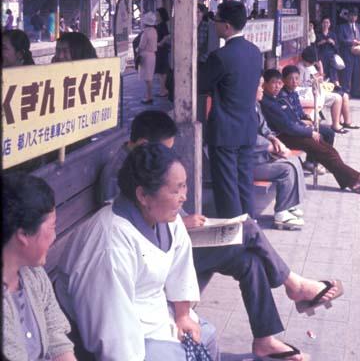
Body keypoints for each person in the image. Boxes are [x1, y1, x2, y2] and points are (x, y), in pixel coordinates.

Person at [98, 110, 343, 361]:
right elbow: (134, 225)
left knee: (249, 260)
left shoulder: (144, 161)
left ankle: (265, 339)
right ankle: (295, 285)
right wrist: (183, 222)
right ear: (143, 145)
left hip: (179, 238)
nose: (169, 157)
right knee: (247, 229)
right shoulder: (120, 173)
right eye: (166, 150)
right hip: (162, 253)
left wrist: (185, 221)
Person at [55, 143, 219, 361]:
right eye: (175, 190)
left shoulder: (167, 218)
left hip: (157, 310)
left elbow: (181, 268)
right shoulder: (111, 242)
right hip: (129, 329)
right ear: (143, 195)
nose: (183, 197)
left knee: (208, 336)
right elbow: (113, 331)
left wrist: (182, 315)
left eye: (184, 186)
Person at [260, 69, 360, 194]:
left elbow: (293, 119)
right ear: (265, 84)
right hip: (283, 138)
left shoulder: (275, 98)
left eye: (279, 83)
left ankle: (354, 179)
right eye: (274, 83)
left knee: (327, 150)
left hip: (292, 133)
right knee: (324, 150)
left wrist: (307, 127)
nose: (277, 86)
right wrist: (309, 132)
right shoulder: (268, 102)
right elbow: (287, 126)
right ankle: (356, 179)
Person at [2, 171, 77, 361]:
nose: (55, 236)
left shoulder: (33, 274)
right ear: (23, 235)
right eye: (51, 227)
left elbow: (55, 334)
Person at [201, 1, 263, 218]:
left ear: (226, 26)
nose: (214, 25)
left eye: (216, 21)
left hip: (225, 131)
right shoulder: (255, 52)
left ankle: (233, 238)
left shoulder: (220, 56)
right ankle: (250, 228)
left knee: (227, 187)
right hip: (247, 128)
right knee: (244, 182)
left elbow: (200, 83)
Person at [255, 77, 306, 230]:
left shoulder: (255, 105)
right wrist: (270, 147)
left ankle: (289, 204)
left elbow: (264, 129)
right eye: (259, 86)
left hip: (261, 155)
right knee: (287, 168)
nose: (262, 89)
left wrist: (272, 138)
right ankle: (281, 214)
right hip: (250, 161)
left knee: (294, 160)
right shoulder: (244, 110)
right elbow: (249, 138)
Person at [296, 48, 359, 133]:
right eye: (311, 62)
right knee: (337, 98)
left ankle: (347, 122)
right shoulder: (300, 68)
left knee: (345, 95)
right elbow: (300, 85)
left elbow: (319, 77)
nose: (311, 64)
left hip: (317, 90)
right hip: (309, 94)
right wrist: (315, 80)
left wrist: (320, 67)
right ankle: (336, 125)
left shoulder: (310, 66)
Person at [337, 6, 360, 98]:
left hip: (357, 54)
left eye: (355, 16)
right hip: (347, 53)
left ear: (357, 17)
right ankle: (345, 93)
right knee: (347, 74)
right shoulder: (342, 27)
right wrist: (351, 42)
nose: (353, 17)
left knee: (356, 73)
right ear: (348, 16)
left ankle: (356, 93)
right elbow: (340, 40)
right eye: (351, 15)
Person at [137, 11, 158, 104]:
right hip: (152, 55)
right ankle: (148, 95)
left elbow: (141, 46)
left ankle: (149, 97)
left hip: (146, 55)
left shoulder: (145, 32)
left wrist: (137, 51)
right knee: (150, 77)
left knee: (147, 78)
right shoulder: (154, 31)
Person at [316, 16, 340, 84]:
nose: (325, 24)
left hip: (331, 57)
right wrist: (320, 43)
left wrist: (333, 42)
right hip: (321, 57)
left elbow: (337, 48)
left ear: (329, 24)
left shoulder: (333, 34)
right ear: (321, 24)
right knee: (323, 74)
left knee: (333, 75)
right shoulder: (318, 35)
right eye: (324, 22)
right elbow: (314, 47)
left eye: (327, 22)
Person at [154, 7, 171, 97]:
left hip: (162, 49)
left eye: (157, 14)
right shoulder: (159, 24)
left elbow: (167, 36)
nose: (156, 16)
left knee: (162, 70)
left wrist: (160, 43)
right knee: (160, 71)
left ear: (161, 15)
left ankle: (163, 90)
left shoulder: (163, 24)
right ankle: (162, 89)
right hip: (159, 49)